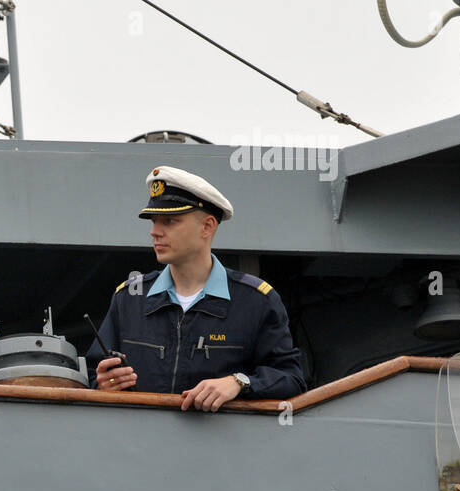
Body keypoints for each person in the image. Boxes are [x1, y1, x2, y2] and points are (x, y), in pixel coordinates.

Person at [88, 165, 305, 410]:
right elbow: (92, 376)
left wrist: (239, 382)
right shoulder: (128, 299)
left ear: (208, 226)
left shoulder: (256, 301)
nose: (154, 232)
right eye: (154, 221)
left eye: (169, 221)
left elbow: (291, 379)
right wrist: (104, 384)